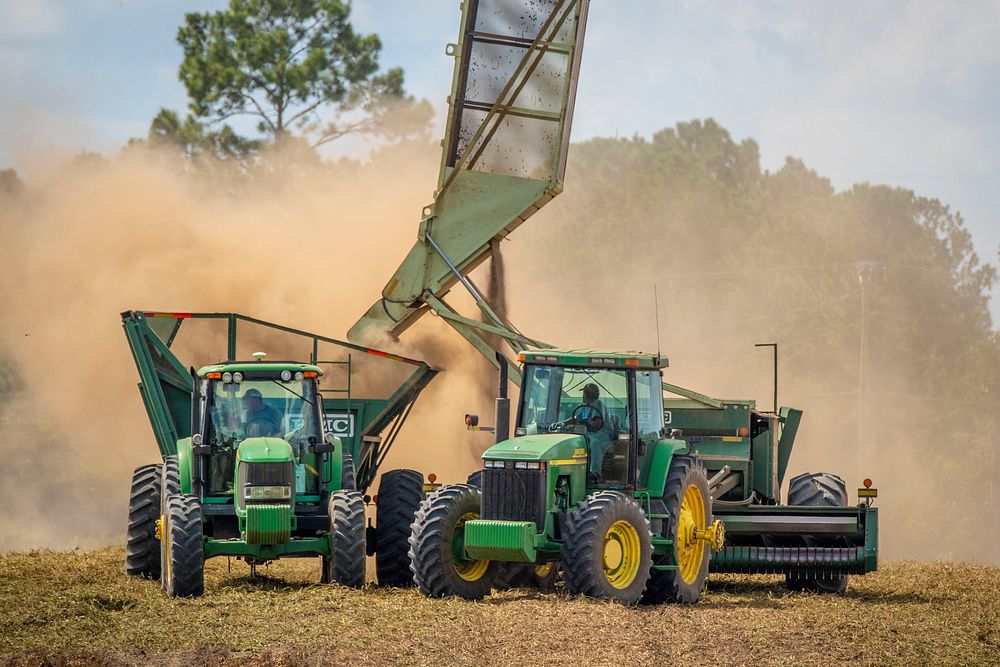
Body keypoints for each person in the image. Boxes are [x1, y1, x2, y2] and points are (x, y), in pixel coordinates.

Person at [573, 383, 615, 478]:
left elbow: (597, 423)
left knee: (594, 442)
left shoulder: (598, 404)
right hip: (591, 432)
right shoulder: (585, 407)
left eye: (584, 393)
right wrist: (562, 423)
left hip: (603, 432)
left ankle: (595, 472)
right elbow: (576, 418)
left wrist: (587, 424)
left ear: (588, 395)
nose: (582, 396)